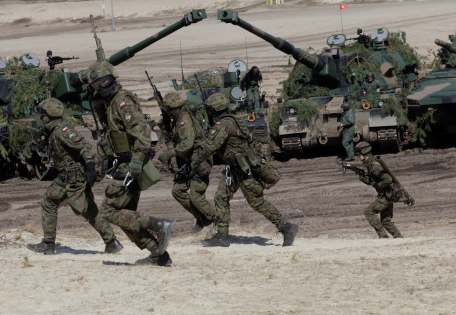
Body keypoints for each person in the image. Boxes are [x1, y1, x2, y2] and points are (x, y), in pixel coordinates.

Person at [86, 61, 175, 266]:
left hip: (130, 165)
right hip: (123, 164)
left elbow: (143, 133)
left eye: (104, 81)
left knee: (109, 211)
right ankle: (158, 255)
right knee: (126, 216)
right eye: (97, 83)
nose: (101, 85)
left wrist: (135, 164)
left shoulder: (121, 102)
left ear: (113, 78)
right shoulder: (109, 103)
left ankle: (160, 225)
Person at [193, 92, 298, 247]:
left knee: (256, 202)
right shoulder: (233, 120)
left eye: (208, 109)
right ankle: (222, 235)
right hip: (236, 168)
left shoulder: (223, 125)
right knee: (221, 197)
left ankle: (287, 227)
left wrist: (195, 162)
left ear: (212, 110)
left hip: (244, 169)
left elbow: (210, 147)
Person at [27, 98, 123, 255]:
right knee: (89, 210)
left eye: (42, 114)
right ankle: (111, 242)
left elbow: (84, 146)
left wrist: (91, 168)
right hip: (73, 175)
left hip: (72, 176)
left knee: (49, 202)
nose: (40, 117)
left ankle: (48, 244)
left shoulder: (62, 131)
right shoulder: (54, 131)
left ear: (48, 115)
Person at [157, 92, 214, 233]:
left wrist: (169, 154)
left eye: (168, 110)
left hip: (199, 160)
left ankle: (217, 221)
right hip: (188, 161)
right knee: (178, 191)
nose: (167, 113)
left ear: (174, 109)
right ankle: (201, 218)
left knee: (196, 197)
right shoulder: (178, 119)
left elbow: (187, 144)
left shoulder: (184, 119)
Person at [354, 141, 410, 238]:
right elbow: (371, 181)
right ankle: (398, 237)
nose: (358, 156)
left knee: (368, 212)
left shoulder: (374, 165)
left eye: (358, 154)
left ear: (364, 152)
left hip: (386, 197)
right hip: (388, 195)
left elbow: (388, 179)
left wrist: (378, 185)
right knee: (385, 221)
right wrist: (362, 177)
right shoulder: (369, 164)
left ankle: (382, 236)